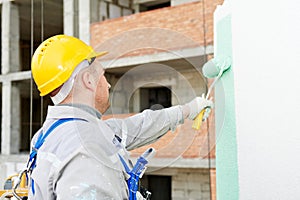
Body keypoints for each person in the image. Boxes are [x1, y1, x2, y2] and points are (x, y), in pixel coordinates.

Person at [28, 34, 213, 199]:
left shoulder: (54, 134)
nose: (108, 84)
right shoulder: (85, 149)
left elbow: (139, 126)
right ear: (89, 80)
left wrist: (188, 110)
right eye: (103, 75)